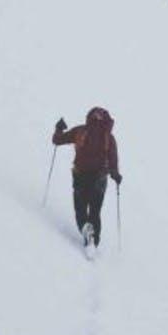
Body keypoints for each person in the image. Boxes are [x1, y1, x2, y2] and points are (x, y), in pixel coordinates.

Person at [52, 107, 122, 250]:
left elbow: (57, 140)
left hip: (80, 176)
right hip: (100, 179)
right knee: (95, 211)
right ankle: (93, 243)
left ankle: (86, 230)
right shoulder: (109, 138)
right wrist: (115, 175)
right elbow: (113, 160)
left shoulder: (80, 131)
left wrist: (59, 128)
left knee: (81, 210)